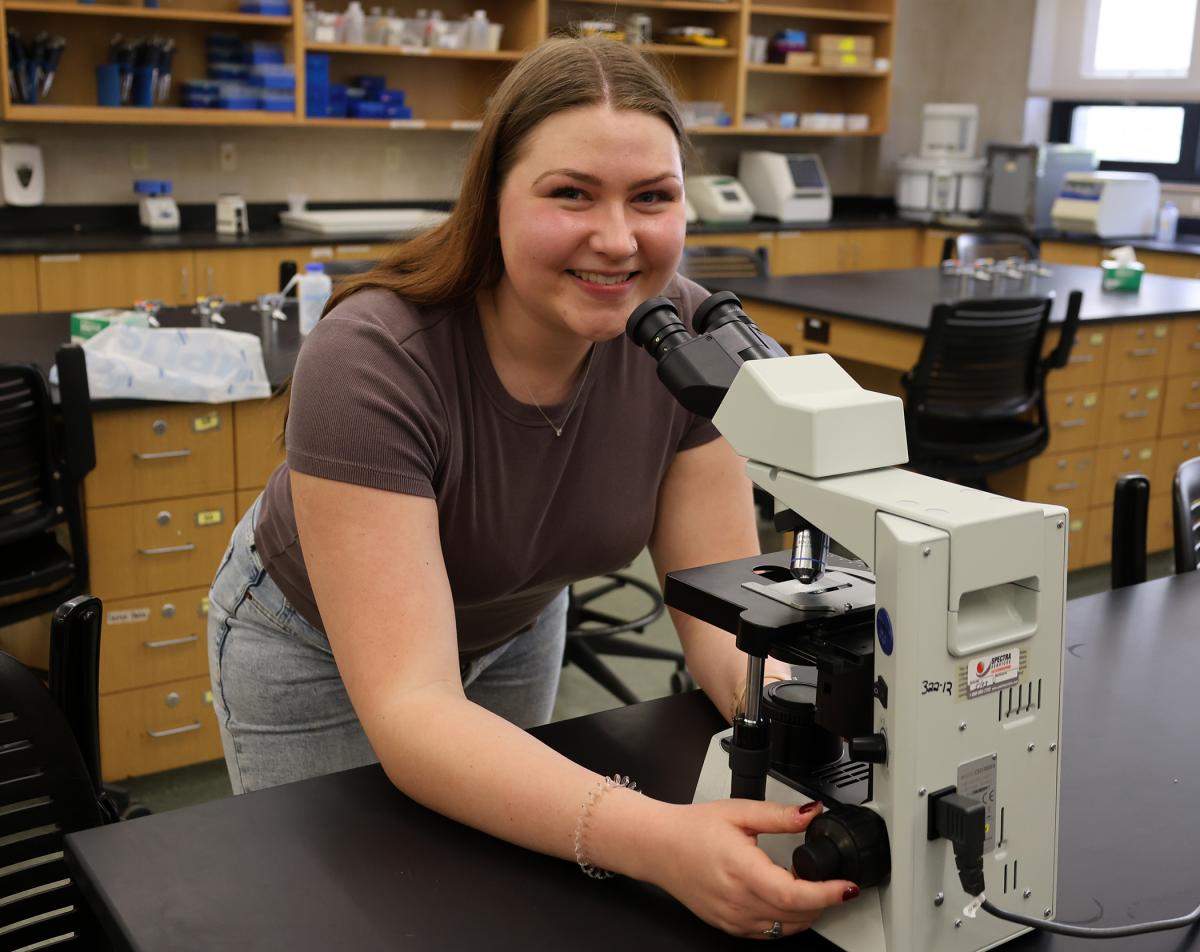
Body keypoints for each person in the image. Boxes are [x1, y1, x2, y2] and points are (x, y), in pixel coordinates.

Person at [207, 34, 859, 940]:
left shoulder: (686, 350)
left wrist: (829, 734)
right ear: (493, 199)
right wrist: (663, 842)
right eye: (570, 194)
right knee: (341, 915)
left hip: (517, 610)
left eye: (653, 198)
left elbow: (723, 618)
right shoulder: (371, 359)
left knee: (493, 889)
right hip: (308, 641)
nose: (618, 238)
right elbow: (414, 709)